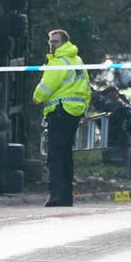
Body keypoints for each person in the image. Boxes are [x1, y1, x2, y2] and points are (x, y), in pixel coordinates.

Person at [33, 29, 91, 207]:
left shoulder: (59, 61)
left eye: (55, 41)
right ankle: (67, 196)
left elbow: (46, 87)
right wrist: (84, 110)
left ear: (64, 42)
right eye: (50, 41)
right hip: (73, 113)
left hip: (60, 112)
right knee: (66, 156)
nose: (51, 44)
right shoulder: (77, 60)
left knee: (55, 156)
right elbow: (86, 87)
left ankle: (57, 196)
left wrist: (36, 98)